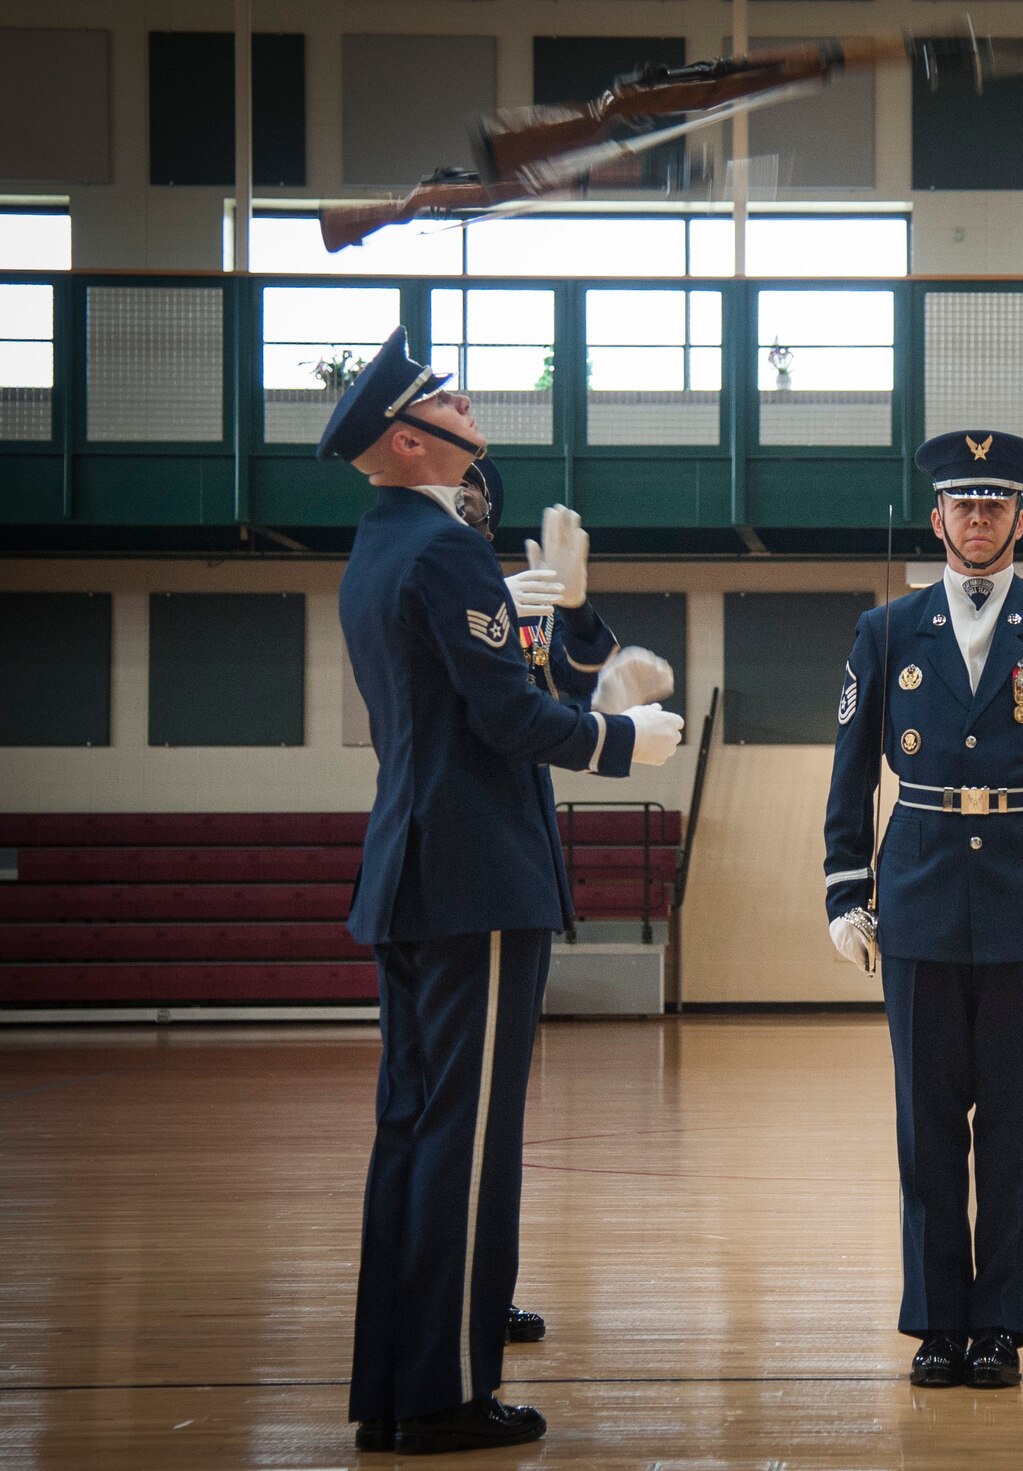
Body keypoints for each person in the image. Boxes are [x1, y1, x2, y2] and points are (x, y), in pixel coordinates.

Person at [320, 328, 684, 1455]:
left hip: (419, 867)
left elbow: (470, 697)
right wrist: (627, 739)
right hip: (475, 875)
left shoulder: (378, 549)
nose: (468, 404)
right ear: (409, 440)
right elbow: (508, 721)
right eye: (444, 398)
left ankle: (398, 1382)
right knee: (467, 1138)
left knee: (415, 1133)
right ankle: (442, 1393)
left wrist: (565, 637)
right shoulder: (444, 555)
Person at [822, 429, 1023, 1390]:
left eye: (996, 503)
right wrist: (844, 887)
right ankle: (938, 1322)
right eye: (964, 503)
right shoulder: (887, 630)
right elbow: (853, 768)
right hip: (919, 895)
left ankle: (1002, 1323)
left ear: (1019, 519)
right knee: (928, 1125)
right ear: (937, 517)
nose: (980, 517)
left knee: (1016, 1129)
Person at [450, 458, 675, 1352]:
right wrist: (612, 728)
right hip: (473, 867)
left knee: (494, 1115)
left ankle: (479, 1288)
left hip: (511, 865)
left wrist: (580, 620)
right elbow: (516, 713)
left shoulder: (499, 597)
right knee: (464, 1115)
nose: (467, 513)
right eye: (456, 499)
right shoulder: (451, 591)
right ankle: (457, 1294)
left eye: (478, 505)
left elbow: (556, 670)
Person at [459, 460, 674, 719]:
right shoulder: (403, 579)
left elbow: (585, 683)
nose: (459, 485)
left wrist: (574, 607)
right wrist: (486, 605)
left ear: (489, 529)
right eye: (446, 481)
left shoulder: (529, 610)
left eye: (470, 482)